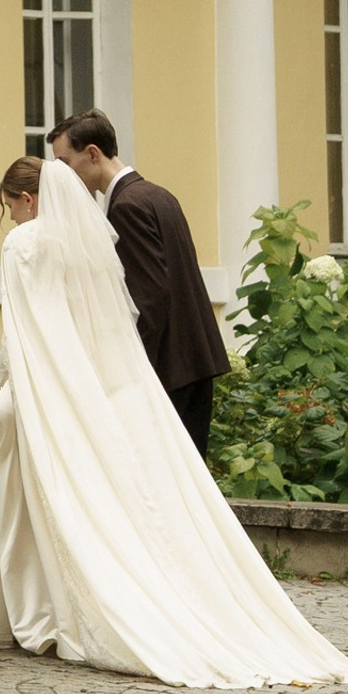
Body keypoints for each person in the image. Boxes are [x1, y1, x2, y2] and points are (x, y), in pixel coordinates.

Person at [0, 153, 348, 690]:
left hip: (49, 380)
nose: (13, 220)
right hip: (94, 381)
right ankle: (53, 599)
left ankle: (36, 602)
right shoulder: (85, 242)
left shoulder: (24, 245)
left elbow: (22, 326)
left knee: (29, 466)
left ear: (26, 199)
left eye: (11, 208)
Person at [48, 111, 229, 459]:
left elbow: (149, 298)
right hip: (193, 360)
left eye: (65, 163)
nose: (63, 176)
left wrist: (130, 373)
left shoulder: (126, 206)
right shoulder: (158, 195)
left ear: (92, 154)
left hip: (169, 369)